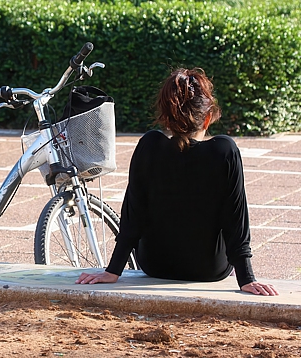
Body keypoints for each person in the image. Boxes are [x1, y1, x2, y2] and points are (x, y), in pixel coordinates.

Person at [76, 68, 278, 296]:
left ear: (166, 117)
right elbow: (235, 219)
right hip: (208, 269)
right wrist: (247, 278)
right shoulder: (224, 151)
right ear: (208, 118)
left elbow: (133, 215)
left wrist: (112, 271)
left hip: (155, 265)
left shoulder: (149, 146)